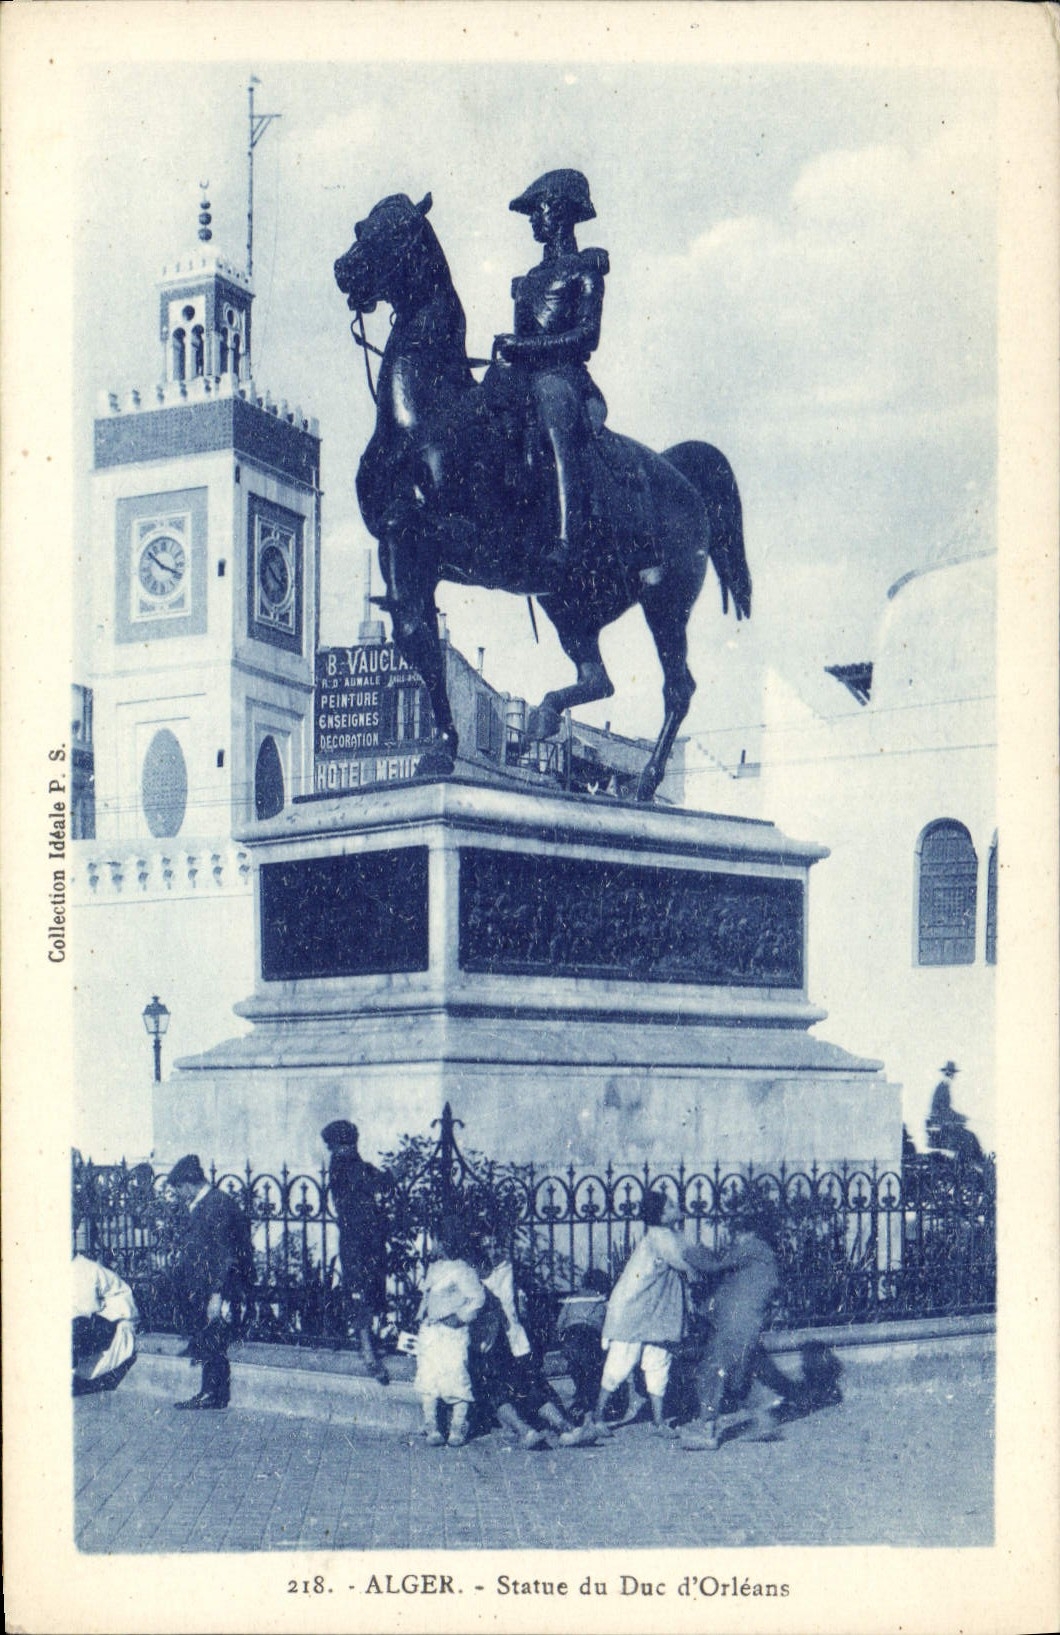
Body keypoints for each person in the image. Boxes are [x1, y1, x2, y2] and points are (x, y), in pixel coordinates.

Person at [491, 168, 609, 574]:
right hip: (525, 376)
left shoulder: (585, 271)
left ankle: (568, 537)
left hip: (566, 380)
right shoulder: (528, 281)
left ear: (559, 212)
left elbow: (587, 337)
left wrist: (524, 348)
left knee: (551, 405)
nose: (532, 220)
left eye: (537, 209)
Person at [591, 1189, 702, 1436]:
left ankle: (658, 1421)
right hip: (634, 1311)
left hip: (655, 1312)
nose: (677, 1207)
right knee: (621, 1363)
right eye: (670, 1206)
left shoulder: (669, 1235)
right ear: (661, 1216)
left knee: (658, 1360)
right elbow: (686, 1262)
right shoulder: (661, 1237)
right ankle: (596, 1417)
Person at [681, 1207, 783, 1451]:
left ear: (748, 1232)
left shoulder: (753, 1248)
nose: (734, 1238)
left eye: (737, 1232)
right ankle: (764, 1419)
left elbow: (714, 1266)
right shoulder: (763, 1253)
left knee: (711, 1370)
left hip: (738, 1322)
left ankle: (708, 1433)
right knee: (738, 1374)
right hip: (746, 1321)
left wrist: (689, 1251)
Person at [167, 1153, 254, 1411]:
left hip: (215, 1287)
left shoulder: (216, 1205)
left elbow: (226, 1253)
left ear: (188, 1184)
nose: (179, 1195)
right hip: (204, 1285)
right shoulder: (208, 1203)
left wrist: (217, 1294)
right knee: (208, 1337)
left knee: (213, 1338)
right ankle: (209, 1392)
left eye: (179, 1188)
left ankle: (212, 1394)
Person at [322, 1120, 391, 1382]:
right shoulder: (345, 1166)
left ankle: (369, 1343)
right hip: (356, 1242)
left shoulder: (351, 1164)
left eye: (351, 1142)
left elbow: (373, 1179)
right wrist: (394, 1173)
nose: (350, 1147)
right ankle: (367, 1351)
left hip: (366, 1240)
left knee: (369, 1292)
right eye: (344, 1143)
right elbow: (377, 1183)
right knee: (360, 1293)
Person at [413, 1220, 485, 1448]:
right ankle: (431, 1425)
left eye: (435, 1240)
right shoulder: (435, 1268)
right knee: (429, 1377)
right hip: (431, 1332)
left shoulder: (463, 1271)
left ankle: (457, 1426)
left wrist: (459, 1317)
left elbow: (477, 1299)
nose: (432, 1244)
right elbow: (427, 1296)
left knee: (455, 1376)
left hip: (452, 1334)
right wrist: (420, 1316)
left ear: (445, 1242)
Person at [72, 1252, 138, 1396]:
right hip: (99, 1319)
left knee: (74, 1328)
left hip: (118, 1320)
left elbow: (86, 1309)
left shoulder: (85, 1269)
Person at [555, 1267, 610, 1421]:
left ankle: (581, 1403)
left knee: (579, 1371)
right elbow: (607, 1324)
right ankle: (589, 1410)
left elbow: (559, 1324)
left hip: (571, 1337)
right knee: (593, 1372)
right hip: (590, 1336)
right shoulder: (602, 1300)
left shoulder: (572, 1298)